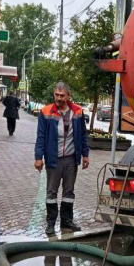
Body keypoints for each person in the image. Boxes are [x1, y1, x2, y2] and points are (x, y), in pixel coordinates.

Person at [35, 82, 90, 234]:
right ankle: (51, 222)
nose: (58, 98)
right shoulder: (46, 112)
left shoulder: (77, 112)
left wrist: (85, 154)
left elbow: (83, 135)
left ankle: (66, 222)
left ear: (68, 96)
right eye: (56, 95)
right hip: (54, 159)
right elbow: (41, 137)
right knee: (51, 192)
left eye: (62, 96)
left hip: (71, 159)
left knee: (69, 191)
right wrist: (38, 157)